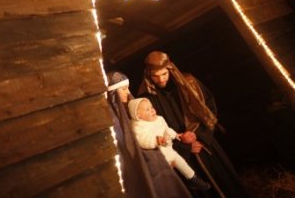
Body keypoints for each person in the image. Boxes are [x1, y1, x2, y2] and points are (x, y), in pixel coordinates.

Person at [137, 51, 249, 198]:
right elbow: (150, 131)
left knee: (224, 184)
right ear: (148, 75)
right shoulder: (146, 98)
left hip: (204, 144)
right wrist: (184, 147)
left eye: (164, 74)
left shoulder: (189, 82)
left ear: (170, 69)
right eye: (155, 76)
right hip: (181, 153)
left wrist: (200, 137)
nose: (161, 79)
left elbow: (208, 108)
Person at [106, 71, 191, 198]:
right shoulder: (113, 122)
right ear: (113, 93)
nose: (128, 92)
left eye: (128, 88)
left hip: (159, 162)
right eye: (124, 89)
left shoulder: (134, 108)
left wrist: (166, 155)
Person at [128, 97, 211, 190]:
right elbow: (142, 139)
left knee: (181, 162)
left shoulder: (159, 119)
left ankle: (193, 178)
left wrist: (177, 135)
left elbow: (166, 129)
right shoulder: (138, 126)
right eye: (147, 110)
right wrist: (156, 141)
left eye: (151, 107)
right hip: (159, 153)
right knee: (167, 173)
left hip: (168, 147)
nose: (152, 110)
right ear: (138, 115)